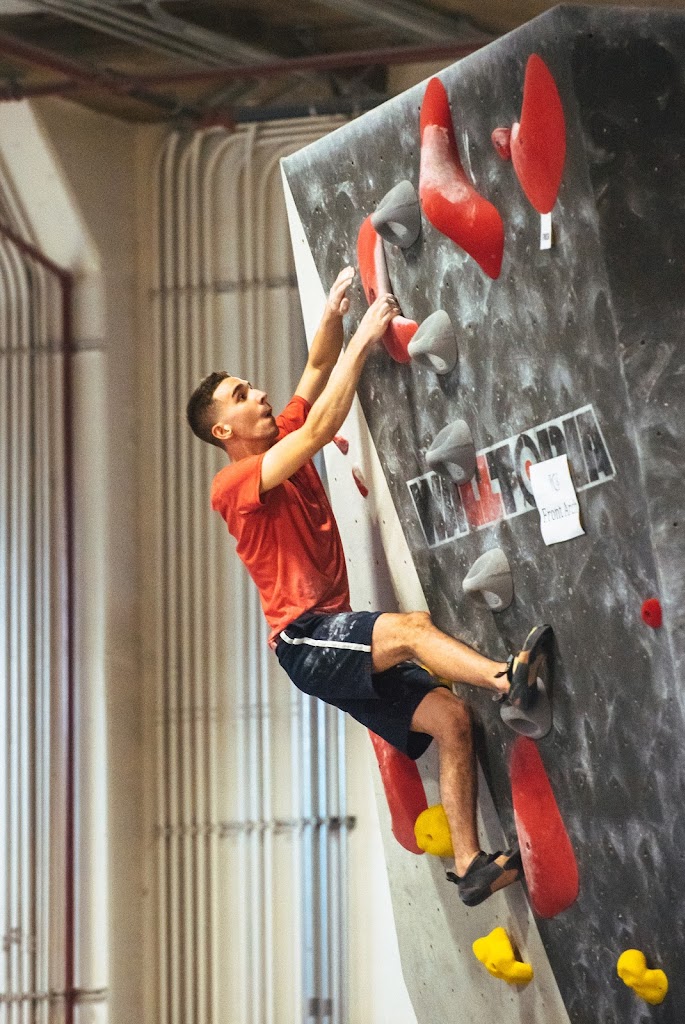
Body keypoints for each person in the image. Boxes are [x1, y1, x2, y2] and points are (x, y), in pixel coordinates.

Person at [186, 265, 549, 907]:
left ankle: (470, 865)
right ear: (224, 432)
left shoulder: (282, 442)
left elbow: (314, 375)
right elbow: (324, 425)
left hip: (327, 637)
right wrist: (364, 339)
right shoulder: (233, 485)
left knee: (451, 720)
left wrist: (333, 315)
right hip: (308, 641)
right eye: (243, 395)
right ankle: (505, 679)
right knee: (409, 631)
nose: (259, 394)